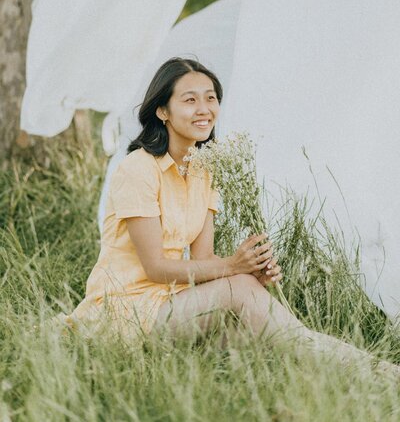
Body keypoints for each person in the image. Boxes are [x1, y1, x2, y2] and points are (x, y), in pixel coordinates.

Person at [59, 57, 400, 377]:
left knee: (257, 333)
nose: (204, 109)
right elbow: (156, 268)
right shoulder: (138, 169)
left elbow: (204, 261)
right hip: (125, 312)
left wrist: (250, 270)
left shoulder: (203, 171)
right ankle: (378, 374)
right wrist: (235, 269)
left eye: (211, 98)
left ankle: (365, 377)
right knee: (240, 289)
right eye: (190, 100)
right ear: (162, 110)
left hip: (172, 305)